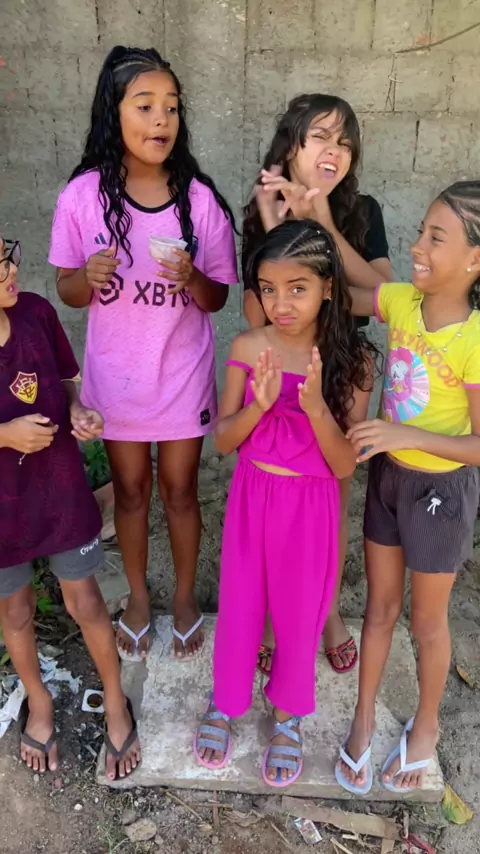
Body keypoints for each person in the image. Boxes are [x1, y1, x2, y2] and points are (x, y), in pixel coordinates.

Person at [49, 46, 238, 663]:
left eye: (172, 108)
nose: (162, 120)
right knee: (130, 492)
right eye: (145, 105)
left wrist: (191, 278)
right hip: (118, 379)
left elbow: (216, 297)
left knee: (180, 491)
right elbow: (67, 290)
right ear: (115, 113)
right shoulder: (82, 197)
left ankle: (182, 598)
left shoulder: (199, 201)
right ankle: (136, 596)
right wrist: (88, 277)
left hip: (180, 376)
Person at [193, 220, 377, 788]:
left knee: (300, 613)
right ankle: (225, 701)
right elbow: (223, 442)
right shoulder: (249, 347)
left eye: (298, 288)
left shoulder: (354, 361)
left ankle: (289, 715)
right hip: (253, 496)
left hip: (311, 507)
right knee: (241, 603)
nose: (281, 304)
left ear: (328, 287)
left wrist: (316, 407)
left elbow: (344, 465)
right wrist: (259, 405)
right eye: (269, 290)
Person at [335, 180, 480, 795]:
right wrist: (315, 217)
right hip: (389, 479)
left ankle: (426, 727)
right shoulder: (402, 302)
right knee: (379, 609)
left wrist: (401, 433)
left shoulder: (474, 340)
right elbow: (344, 286)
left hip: (441, 493)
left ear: (474, 260)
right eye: (421, 231)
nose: (417, 246)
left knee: (426, 623)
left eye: (435, 237)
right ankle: (364, 717)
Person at [242, 93, 392, 677]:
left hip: (345, 369)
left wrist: (325, 223)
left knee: (334, 496)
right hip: (282, 372)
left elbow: (380, 298)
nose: (335, 150)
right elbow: (257, 317)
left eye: (345, 142)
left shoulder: (364, 211)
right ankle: (273, 618)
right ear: (291, 147)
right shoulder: (261, 210)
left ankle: (326, 612)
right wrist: (277, 231)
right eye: (321, 137)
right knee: (278, 499)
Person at [0, 238, 141, 780]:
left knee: (86, 602)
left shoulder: (36, 312)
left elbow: (64, 381)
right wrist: (5, 435)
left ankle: (115, 701)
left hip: (58, 488)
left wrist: (79, 410)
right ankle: (38, 701)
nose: (11, 269)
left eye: (8, 255)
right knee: (14, 611)